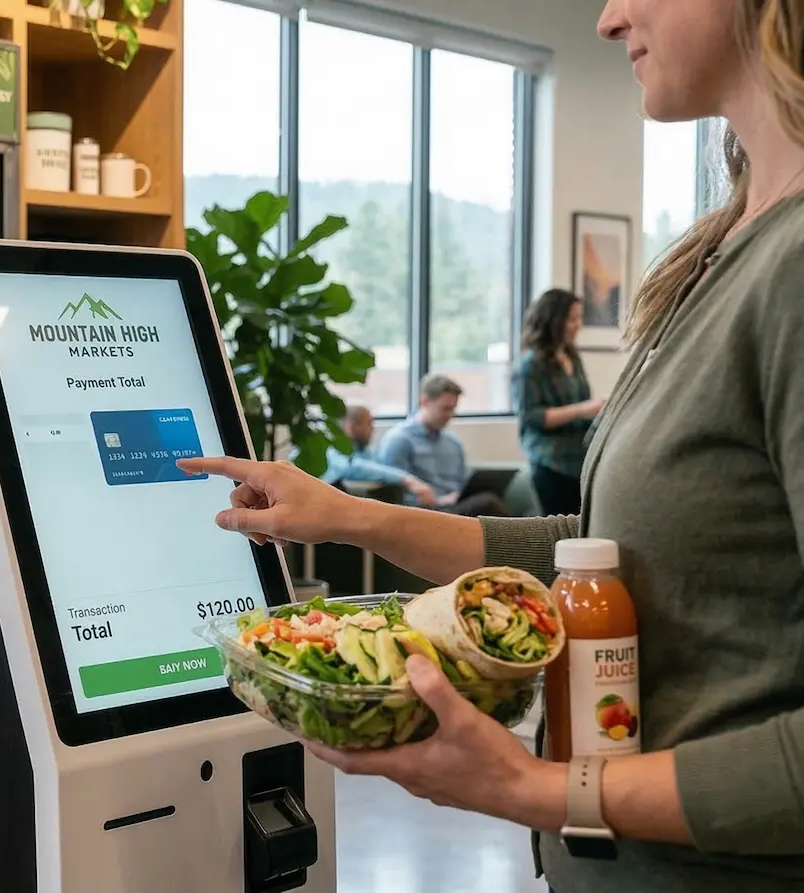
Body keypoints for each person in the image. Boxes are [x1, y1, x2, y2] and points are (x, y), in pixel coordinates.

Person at [178, 1, 804, 889]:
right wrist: (350, 516)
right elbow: (601, 555)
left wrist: (538, 786)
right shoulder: (725, 250)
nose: (607, 16)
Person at [512, 289, 603, 515]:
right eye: (571, 319)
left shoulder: (572, 357)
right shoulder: (530, 365)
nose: (577, 325)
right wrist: (580, 410)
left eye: (579, 318)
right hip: (551, 464)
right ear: (554, 319)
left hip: (579, 461)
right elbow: (531, 417)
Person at [375, 374, 510, 516]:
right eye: (445, 408)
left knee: (490, 500)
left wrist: (457, 495)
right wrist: (436, 500)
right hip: (424, 512)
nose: (450, 415)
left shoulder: (453, 443)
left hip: (454, 507)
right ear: (425, 402)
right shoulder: (399, 439)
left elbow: (463, 483)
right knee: (488, 504)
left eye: (453, 408)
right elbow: (392, 491)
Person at [319, 405, 437, 507]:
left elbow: (380, 469)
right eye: (369, 424)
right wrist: (407, 479)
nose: (373, 429)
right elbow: (352, 467)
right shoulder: (331, 450)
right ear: (351, 427)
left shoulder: (367, 452)